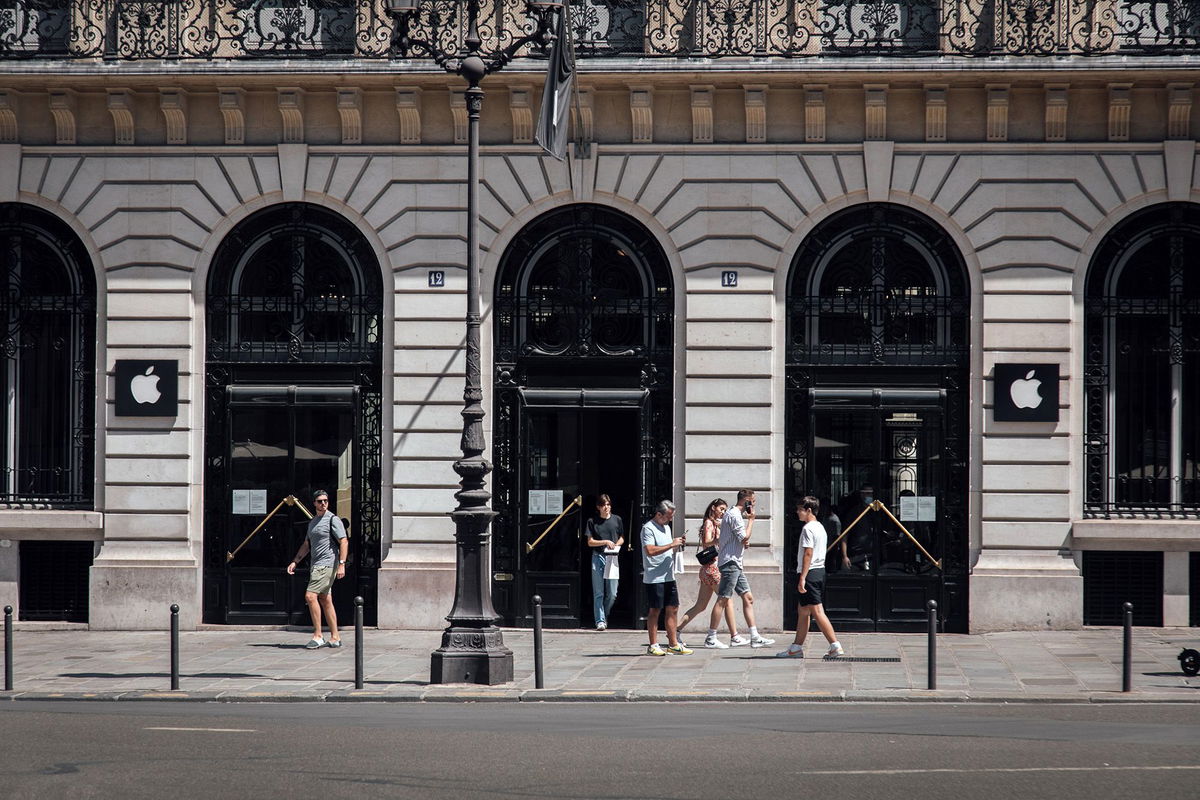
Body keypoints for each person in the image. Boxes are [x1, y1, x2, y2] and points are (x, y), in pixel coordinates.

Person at [704, 489, 774, 649]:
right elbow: (744, 537)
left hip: (735, 562)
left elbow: (736, 538)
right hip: (730, 563)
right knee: (723, 599)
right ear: (747, 501)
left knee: (748, 597)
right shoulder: (735, 515)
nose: (754, 504)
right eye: (753, 501)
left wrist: (743, 541)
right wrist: (751, 521)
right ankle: (711, 637)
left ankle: (754, 636)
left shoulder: (732, 514)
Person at [778, 496, 844, 659]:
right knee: (804, 610)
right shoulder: (820, 527)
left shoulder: (808, 529)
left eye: (800, 509)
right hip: (819, 571)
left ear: (808, 510)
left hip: (810, 573)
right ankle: (796, 647)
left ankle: (835, 645)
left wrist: (802, 577)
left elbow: (808, 553)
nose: (797, 512)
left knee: (817, 610)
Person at [286, 489, 349, 649]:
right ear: (314, 503)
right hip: (316, 565)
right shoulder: (313, 522)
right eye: (320, 501)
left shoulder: (333, 519)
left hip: (327, 564)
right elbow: (307, 545)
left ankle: (318, 635)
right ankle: (335, 637)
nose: (323, 503)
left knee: (310, 596)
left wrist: (342, 564)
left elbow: (344, 541)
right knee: (325, 599)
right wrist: (295, 561)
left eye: (326, 501)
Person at [678, 498, 737, 647]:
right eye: (721, 509)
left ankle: (675, 631)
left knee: (701, 605)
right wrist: (719, 538)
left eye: (725, 510)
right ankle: (732, 636)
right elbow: (707, 541)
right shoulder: (709, 523)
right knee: (726, 600)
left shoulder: (717, 523)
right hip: (712, 568)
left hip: (708, 570)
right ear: (713, 508)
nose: (723, 512)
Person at [641, 499, 691, 656]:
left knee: (673, 608)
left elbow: (666, 547)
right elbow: (650, 550)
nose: (670, 519)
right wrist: (671, 545)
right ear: (658, 514)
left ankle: (673, 644)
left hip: (669, 575)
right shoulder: (648, 529)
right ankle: (653, 645)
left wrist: (677, 544)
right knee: (655, 609)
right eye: (668, 516)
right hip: (655, 576)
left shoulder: (666, 528)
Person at [585, 493, 625, 630]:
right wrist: (605, 542)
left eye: (608, 504)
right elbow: (590, 542)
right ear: (598, 507)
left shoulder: (617, 520)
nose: (606, 507)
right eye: (603, 505)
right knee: (598, 592)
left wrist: (616, 544)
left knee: (613, 593)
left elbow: (622, 537)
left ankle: (605, 614)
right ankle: (600, 620)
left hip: (612, 556)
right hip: (597, 557)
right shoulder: (592, 521)